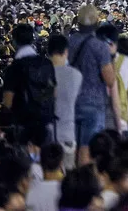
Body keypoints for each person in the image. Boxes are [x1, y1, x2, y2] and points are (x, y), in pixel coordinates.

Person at [69, 4, 116, 165]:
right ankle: (85, 183)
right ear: (96, 23)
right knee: (87, 147)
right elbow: (109, 79)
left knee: (73, 145)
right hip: (93, 101)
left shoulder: (70, 42)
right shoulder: (100, 46)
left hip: (71, 100)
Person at [2, 23, 56, 138]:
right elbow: (54, 92)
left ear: (15, 41)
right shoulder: (47, 63)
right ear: (32, 40)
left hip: (24, 125)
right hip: (46, 122)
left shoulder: (13, 68)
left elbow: (8, 102)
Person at [48, 33, 82, 168]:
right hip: (69, 134)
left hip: (47, 136)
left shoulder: (42, 73)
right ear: (66, 52)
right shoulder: (76, 75)